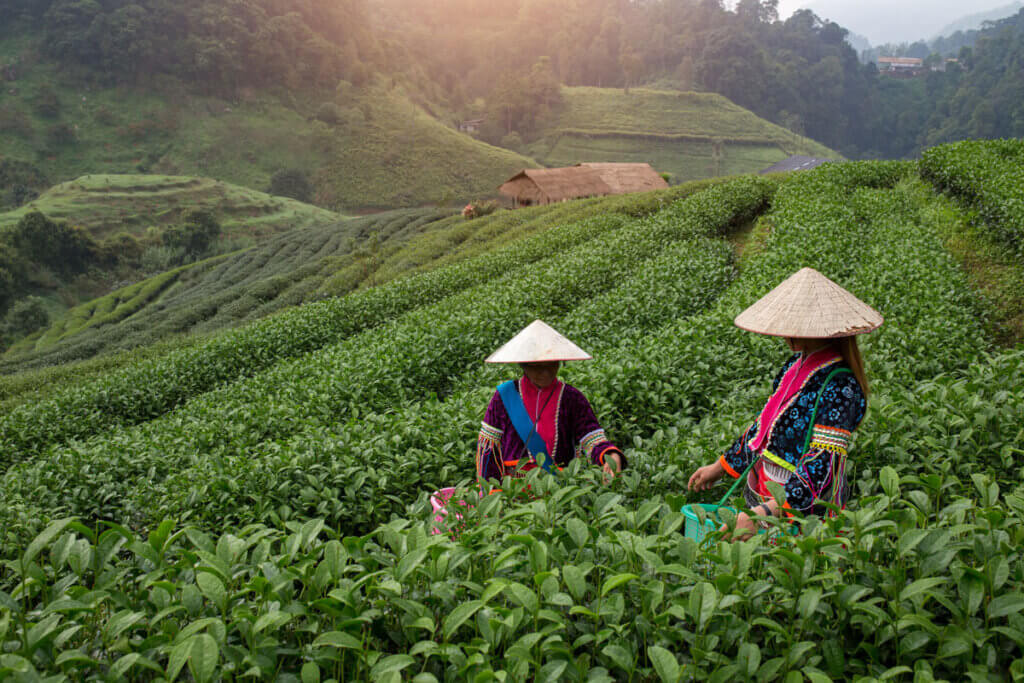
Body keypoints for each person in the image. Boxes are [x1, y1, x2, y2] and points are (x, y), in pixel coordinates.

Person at [688, 268, 883, 540]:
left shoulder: (842, 387)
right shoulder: (794, 366)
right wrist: (720, 467)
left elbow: (823, 464)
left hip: (797, 504)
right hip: (767, 490)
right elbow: (764, 430)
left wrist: (766, 512)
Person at [476, 320, 625, 482]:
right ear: (523, 365)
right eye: (537, 367)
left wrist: (611, 455)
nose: (545, 373)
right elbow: (489, 451)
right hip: (514, 489)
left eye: (551, 365)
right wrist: (492, 493)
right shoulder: (504, 397)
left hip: (558, 488)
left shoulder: (572, 398)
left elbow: (592, 438)